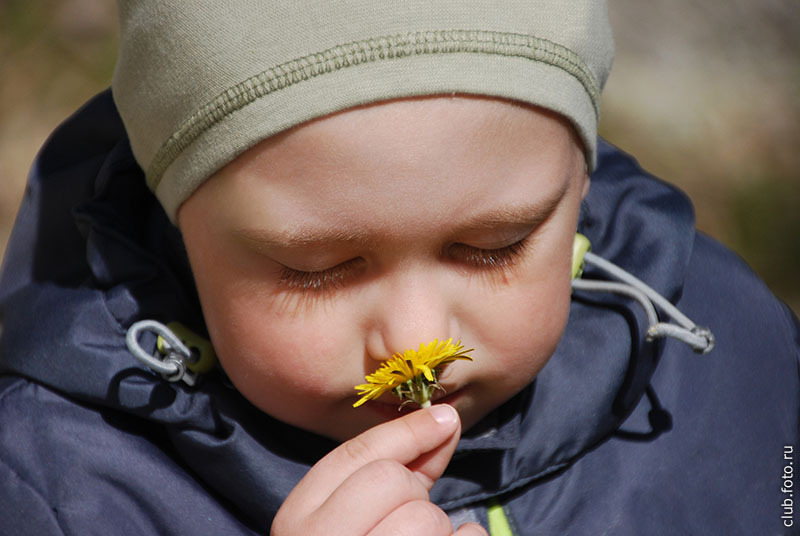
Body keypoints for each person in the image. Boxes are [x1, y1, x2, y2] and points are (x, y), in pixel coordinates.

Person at [0, 1, 797, 534]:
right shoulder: (58, 487)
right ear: (178, 221)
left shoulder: (739, 358)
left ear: (577, 187)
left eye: (494, 247)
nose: (418, 345)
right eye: (316, 269)